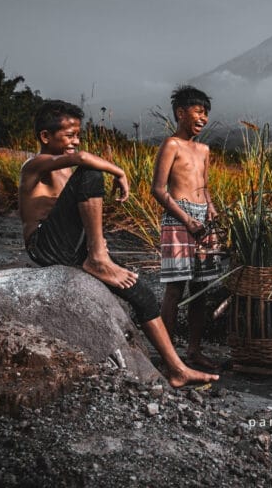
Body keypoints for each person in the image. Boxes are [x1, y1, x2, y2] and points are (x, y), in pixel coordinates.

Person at [19, 99, 218, 387]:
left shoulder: (66, 169)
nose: (76, 141)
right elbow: (84, 160)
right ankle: (97, 257)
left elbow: (78, 213)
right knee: (91, 174)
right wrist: (120, 172)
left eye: (78, 135)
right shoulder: (35, 166)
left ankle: (176, 369)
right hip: (43, 245)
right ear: (45, 137)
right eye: (69, 135)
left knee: (143, 293)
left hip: (69, 247)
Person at [151, 85, 225, 371]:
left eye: (206, 113)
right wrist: (187, 220)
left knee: (200, 290)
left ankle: (194, 351)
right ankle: (168, 354)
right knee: (175, 289)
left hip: (202, 221)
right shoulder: (172, 145)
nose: (203, 118)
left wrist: (212, 214)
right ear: (181, 113)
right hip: (179, 220)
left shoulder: (204, 149)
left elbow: (204, 188)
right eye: (197, 111)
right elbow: (158, 190)